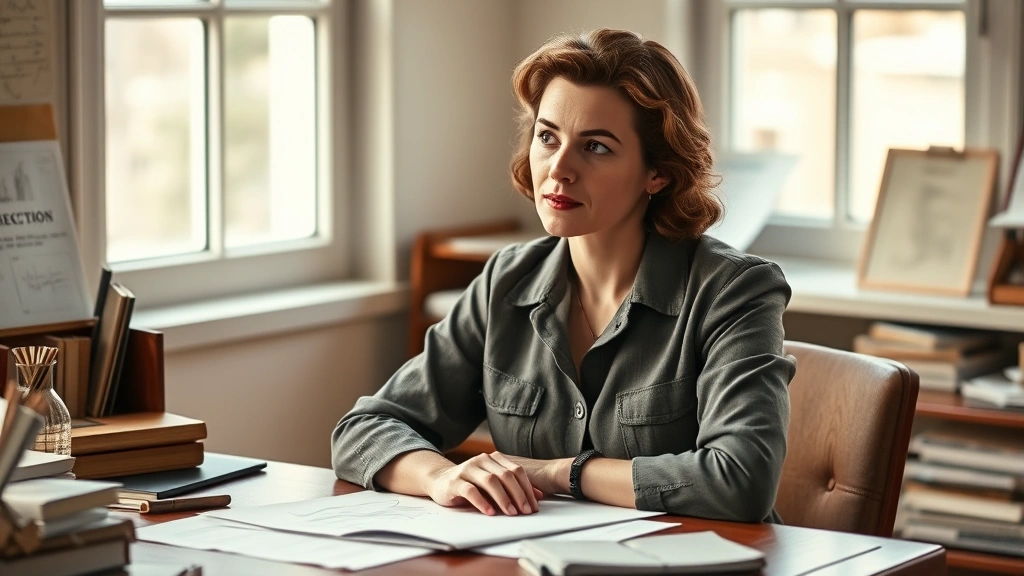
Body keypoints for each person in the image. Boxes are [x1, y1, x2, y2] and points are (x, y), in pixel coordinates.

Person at [332, 29, 794, 524]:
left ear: (657, 172)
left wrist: (560, 473)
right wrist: (441, 477)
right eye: (547, 137)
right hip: (532, 555)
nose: (559, 169)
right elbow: (363, 430)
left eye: (596, 147)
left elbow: (741, 480)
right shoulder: (506, 281)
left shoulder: (734, 290)